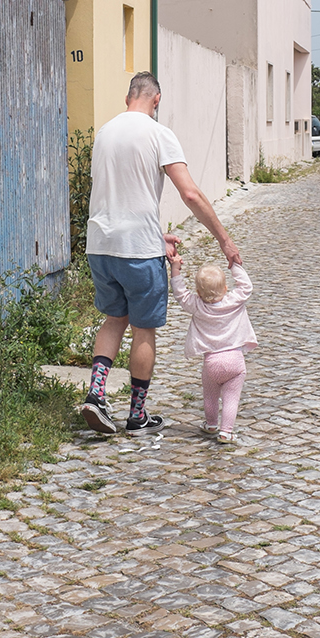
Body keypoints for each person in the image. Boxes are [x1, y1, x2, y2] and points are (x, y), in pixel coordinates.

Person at [82, 71, 242, 435]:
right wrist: (224, 240)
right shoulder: (159, 133)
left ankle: (95, 395)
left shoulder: (105, 133)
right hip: (137, 251)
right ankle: (137, 416)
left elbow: (117, 195)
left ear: (128, 99)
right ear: (157, 101)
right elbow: (190, 194)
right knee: (143, 329)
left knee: (113, 320)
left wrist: (157, 235)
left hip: (101, 247)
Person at [168, 254, 256, 444]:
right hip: (235, 361)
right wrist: (235, 267)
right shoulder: (234, 301)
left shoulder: (197, 306)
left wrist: (175, 268)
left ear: (198, 293)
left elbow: (180, 294)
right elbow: (246, 287)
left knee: (210, 396)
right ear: (225, 288)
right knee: (231, 398)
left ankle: (211, 424)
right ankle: (226, 431)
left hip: (211, 362)